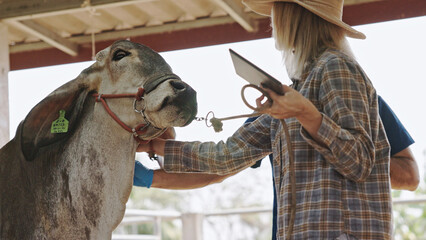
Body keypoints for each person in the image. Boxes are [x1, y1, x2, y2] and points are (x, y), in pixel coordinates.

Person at [138, 1, 394, 239]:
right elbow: (228, 154)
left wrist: (306, 114)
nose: (273, 21)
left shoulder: (335, 67)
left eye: (277, 10)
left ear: (294, 17)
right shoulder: (298, 89)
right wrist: (151, 146)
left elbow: (360, 161)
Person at [134, 96, 418, 239]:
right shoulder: (278, 111)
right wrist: (147, 177)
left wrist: (340, 146)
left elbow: (410, 177)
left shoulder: (365, 102)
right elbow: (219, 166)